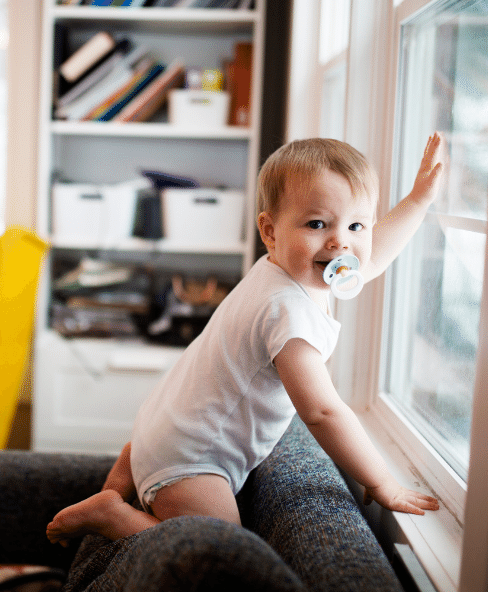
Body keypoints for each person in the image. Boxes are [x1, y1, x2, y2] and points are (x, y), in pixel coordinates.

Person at [47, 134, 446, 547]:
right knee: (221, 550)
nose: (340, 242)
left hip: (156, 431)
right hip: (190, 460)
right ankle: (113, 514)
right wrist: (381, 480)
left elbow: (373, 256)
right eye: (316, 224)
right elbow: (322, 412)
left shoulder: (281, 269)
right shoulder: (288, 312)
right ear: (270, 231)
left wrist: (418, 201)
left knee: (156, 462)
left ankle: (114, 490)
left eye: (356, 225)